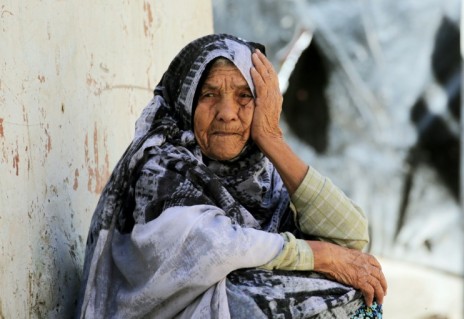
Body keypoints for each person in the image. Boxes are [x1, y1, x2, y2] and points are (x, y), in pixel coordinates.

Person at [77, 33, 387, 319]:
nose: (227, 112)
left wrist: (271, 138)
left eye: (243, 97)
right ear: (186, 103)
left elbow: (351, 237)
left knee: (353, 291)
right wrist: (318, 256)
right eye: (209, 95)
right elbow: (212, 248)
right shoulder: (161, 165)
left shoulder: (261, 176)